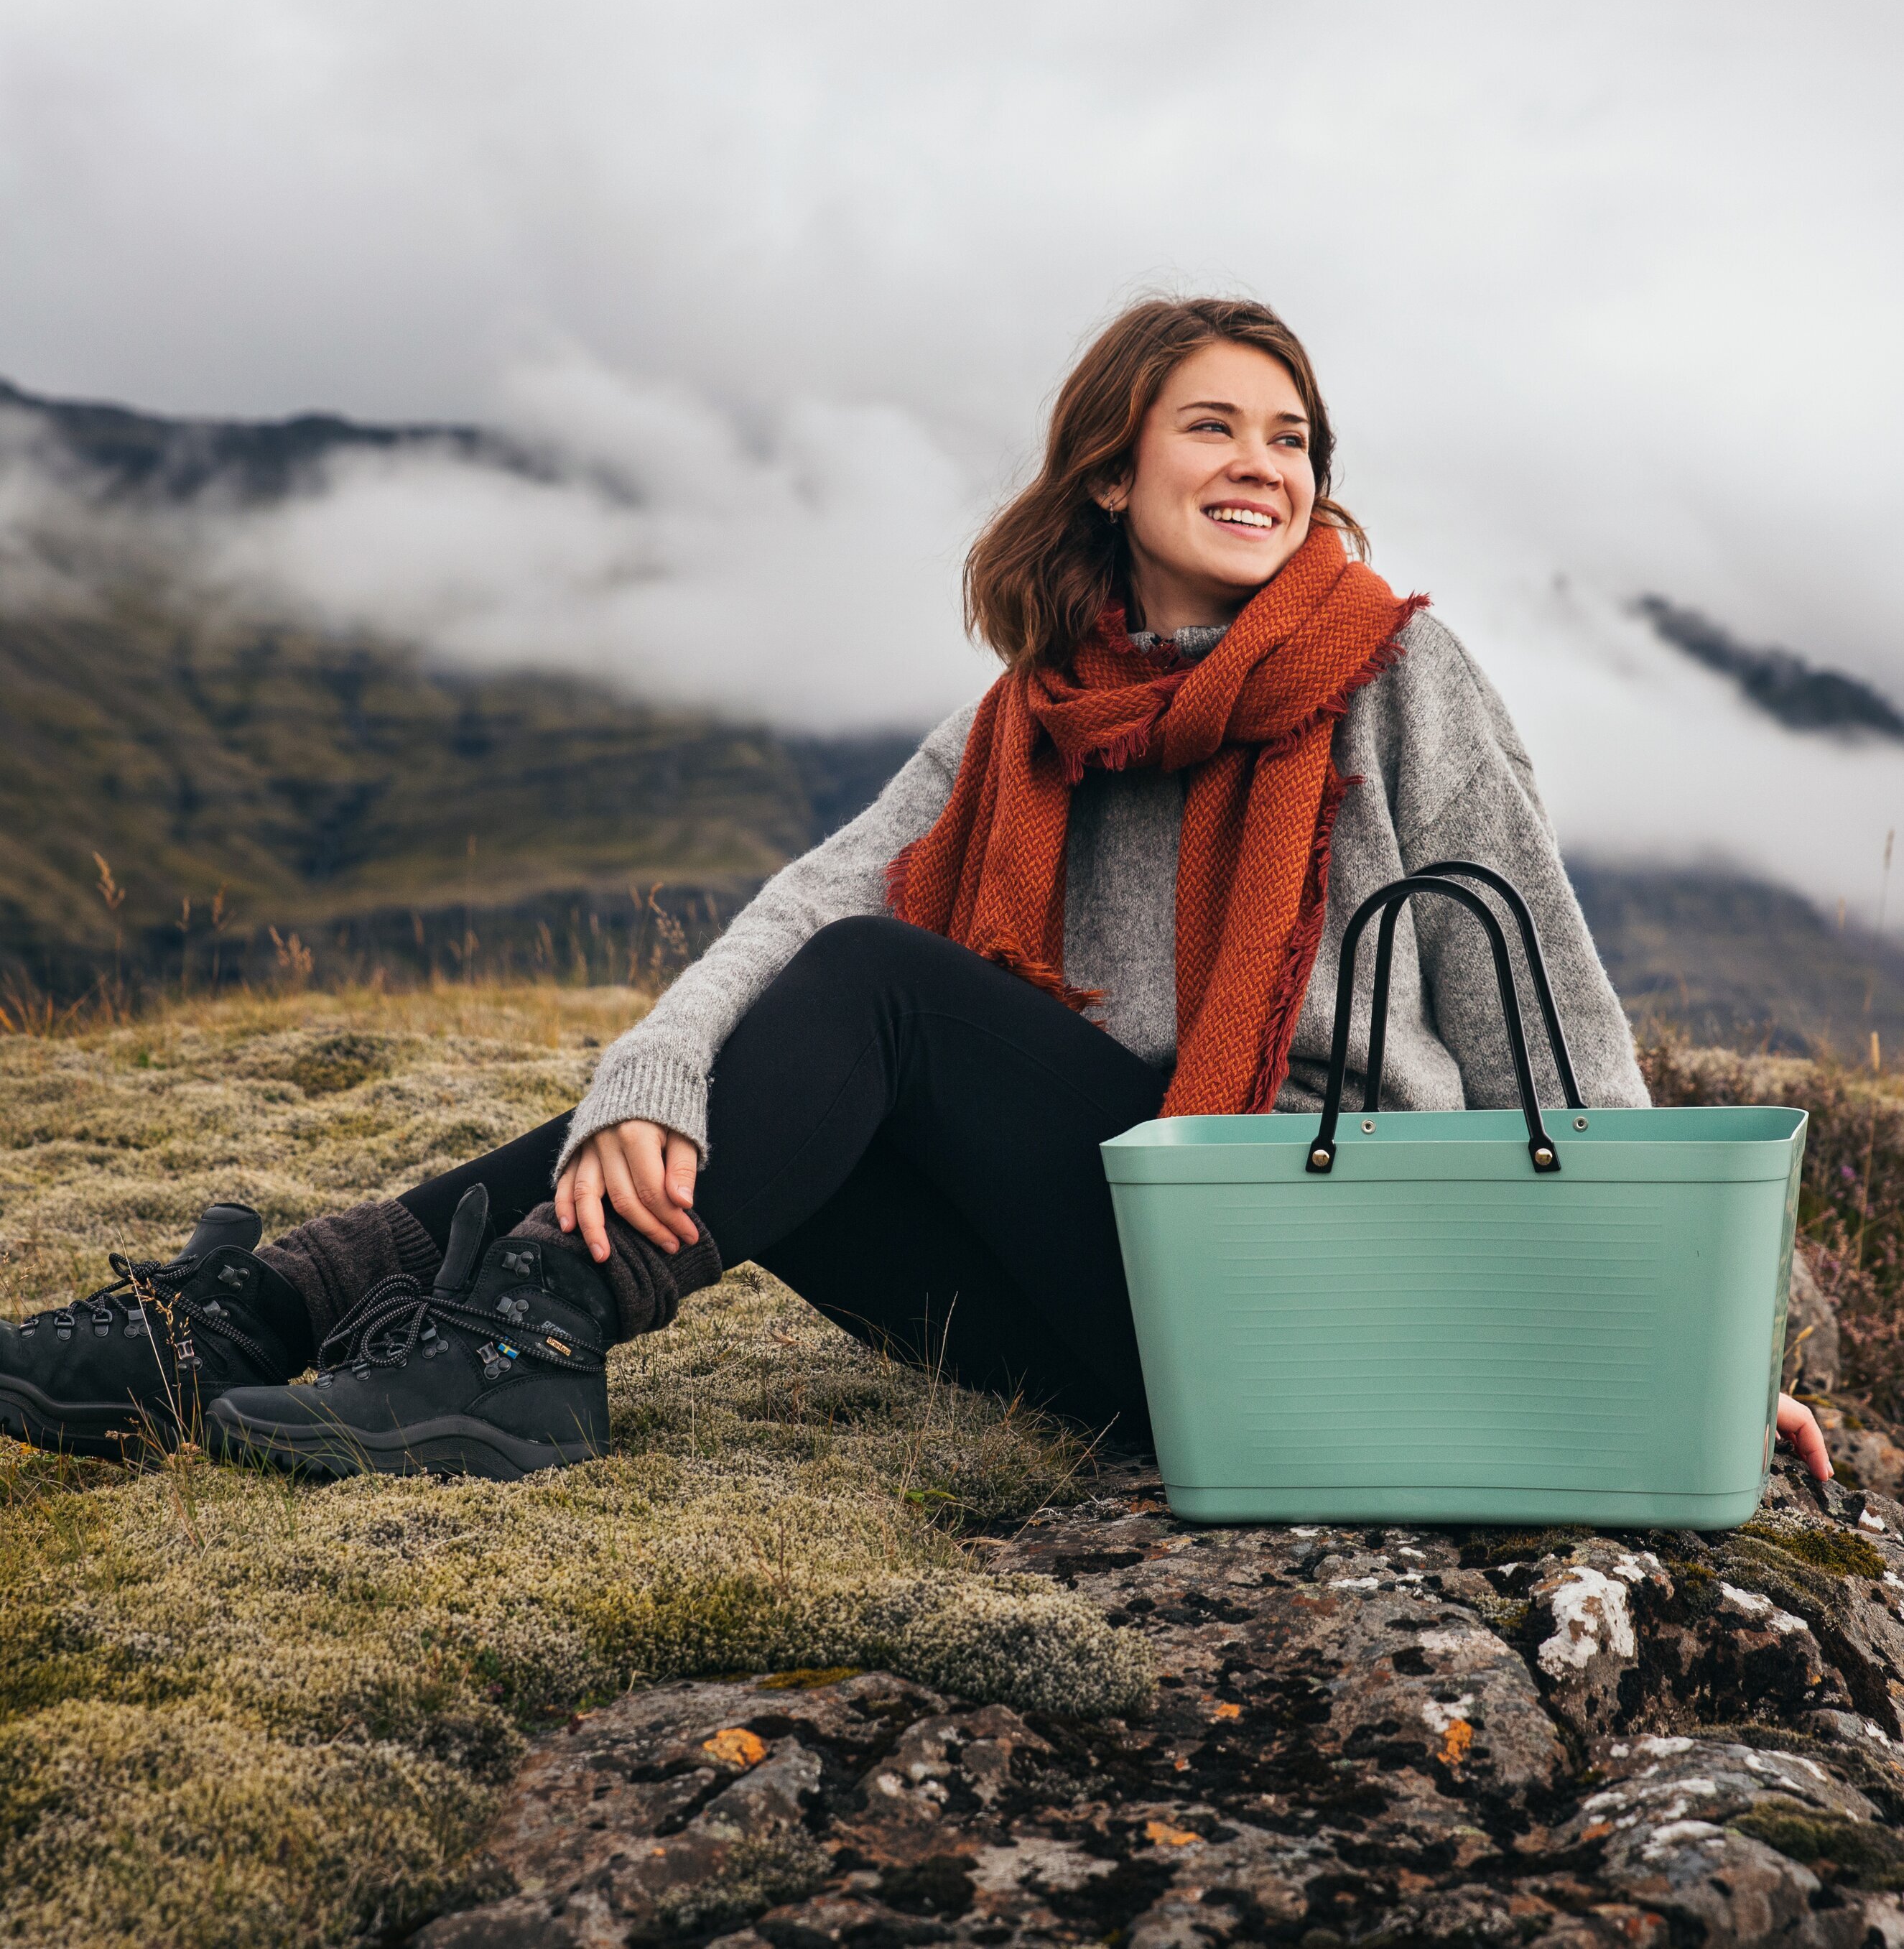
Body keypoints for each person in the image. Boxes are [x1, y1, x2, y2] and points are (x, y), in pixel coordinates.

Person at [0, 295, 1832, 1487]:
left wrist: (1684, 1354)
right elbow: (800, 907)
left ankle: (530, 1336)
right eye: (1217, 428)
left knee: (882, 997)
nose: (1264, 464)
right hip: (1130, 1310)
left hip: (1325, 1284)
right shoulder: (1032, 722)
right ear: (1114, 470)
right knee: (777, 1062)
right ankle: (251, 1329)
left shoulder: (1396, 679)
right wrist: (643, 1079)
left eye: (1292, 439)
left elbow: (1551, 997)